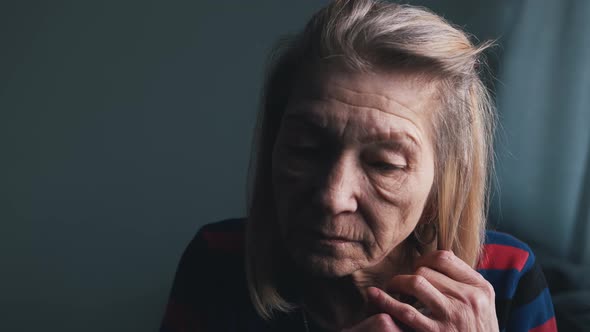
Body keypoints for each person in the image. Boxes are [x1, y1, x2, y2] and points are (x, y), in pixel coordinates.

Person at [160, 0, 557, 331]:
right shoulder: (218, 261)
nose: (333, 197)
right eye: (305, 149)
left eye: (385, 165)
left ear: (441, 184)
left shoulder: (508, 277)